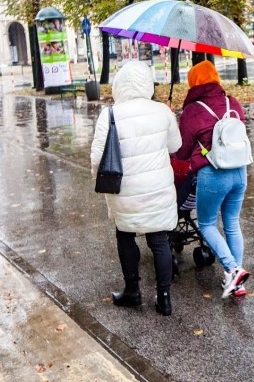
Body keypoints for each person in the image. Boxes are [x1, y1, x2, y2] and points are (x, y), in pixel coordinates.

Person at [90, 61, 181, 316]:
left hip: (124, 191)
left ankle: (133, 291)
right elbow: (176, 145)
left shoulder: (110, 115)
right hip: (158, 190)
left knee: (125, 235)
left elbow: (97, 158)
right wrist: (168, 117)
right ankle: (164, 298)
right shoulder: (162, 111)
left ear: (120, 85)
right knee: (159, 239)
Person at [176, 60, 250, 299]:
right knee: (232, 223)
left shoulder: (192, 111)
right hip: (239, 170)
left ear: (193, 82)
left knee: (207, 224)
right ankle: (235, 282)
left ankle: (233, 269)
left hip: (212, 173)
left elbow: (183, 151)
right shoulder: (233, 103)